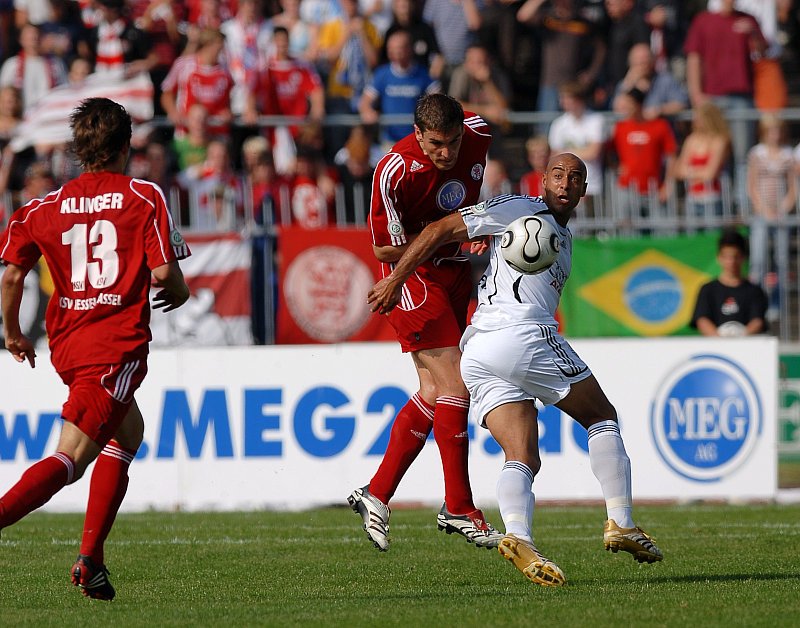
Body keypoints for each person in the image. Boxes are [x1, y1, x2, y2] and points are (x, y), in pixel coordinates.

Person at [366, 152, 663, 586]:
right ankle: (620, 520)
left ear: (583, 190)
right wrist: (395, 278)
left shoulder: (560, 235)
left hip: (481, 349)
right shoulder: (519, 208)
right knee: (602, 417)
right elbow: (439, 229)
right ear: (542, 180)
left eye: (575, 178)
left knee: (523, 455)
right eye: (558, 175)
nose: (565, 183)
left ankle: (519, 536)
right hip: (520, 332)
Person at [0, 97, 190, 600]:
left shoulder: (40, 207)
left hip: (69, 344)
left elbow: (13, 273)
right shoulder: (144, 195)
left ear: (78, 151)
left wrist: (13, 332)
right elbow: (167, 275)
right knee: (71, 458)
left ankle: (93, 558)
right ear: (126, 148)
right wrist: (179, 290)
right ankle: (58, 544)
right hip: (116, 345)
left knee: (129, 431)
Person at [348, 93, 503, 551]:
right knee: (456, 387)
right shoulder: (393, 169)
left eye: (453, 142)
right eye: (436, 143)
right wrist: (448, 234)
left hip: (454, 271)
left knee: (436, 393)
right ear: (418, 134)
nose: (446, 153)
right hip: (409, 277)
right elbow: (382, 249)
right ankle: (459, 505)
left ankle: (376, 493)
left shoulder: (478, 132)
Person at [691, 228, 768, 337]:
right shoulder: (708, 290)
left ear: (743, 258)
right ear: (719, 258)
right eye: (726, 257)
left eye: (735, 257)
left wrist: (740, 338)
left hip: (747, 348)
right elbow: (702, 319)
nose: (731, 262)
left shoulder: (754, 291)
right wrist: (720, 341)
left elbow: (757, 321)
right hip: (715, 349)